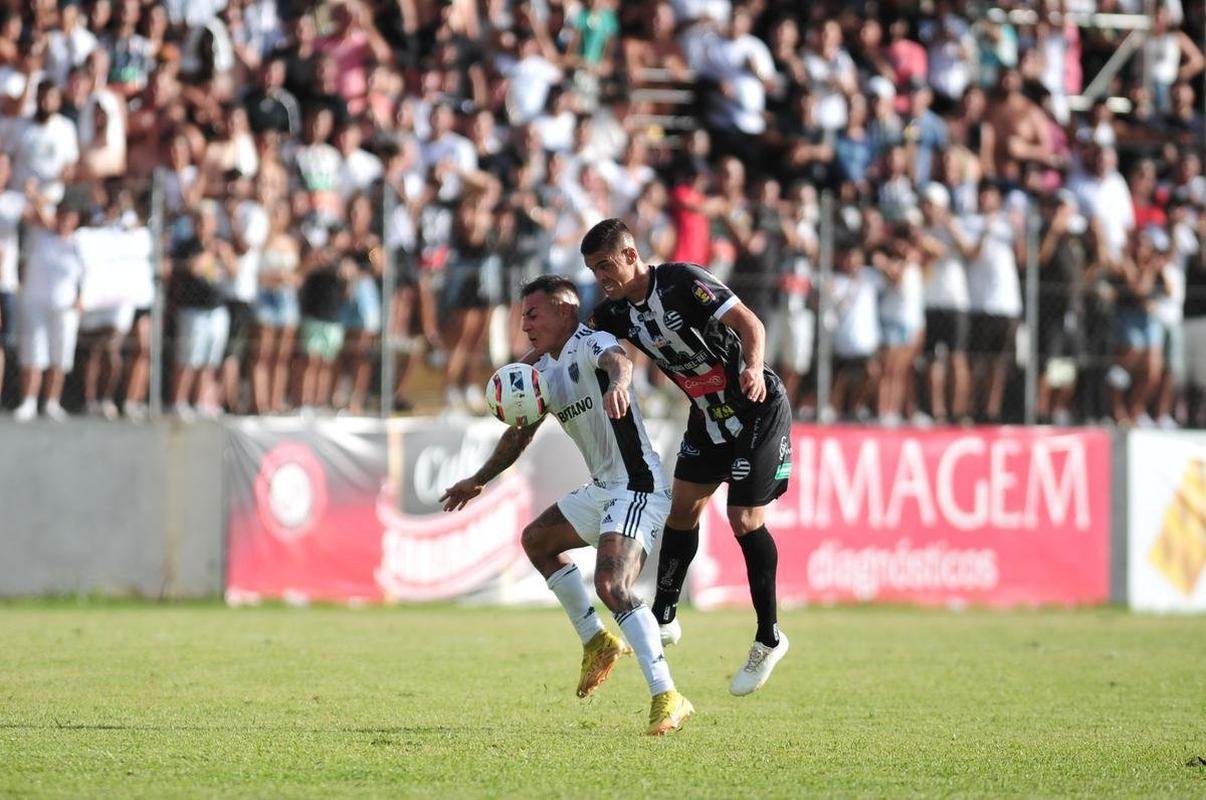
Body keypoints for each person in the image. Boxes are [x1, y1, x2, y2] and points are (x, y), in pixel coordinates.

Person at [440, 275, 693, 736]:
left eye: (533, 315)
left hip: (637, 486)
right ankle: (597, 641)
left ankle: (667, 695)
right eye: (522, 318)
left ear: (563, 310)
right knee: (537, 540)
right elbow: (520, 433)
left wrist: (618, 383)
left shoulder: (588, 342)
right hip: (604, 489)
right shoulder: (541, 373)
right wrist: (478, 480)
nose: (525, 325)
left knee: (612, 584)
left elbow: (619, 360)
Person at [580, 218, 791, 696]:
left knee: (743, 519)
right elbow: (579, 343)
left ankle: (769, 638)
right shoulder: (615, 312)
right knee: (682, 512)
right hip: (707, 414)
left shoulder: (683, 281)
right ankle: (665, 615)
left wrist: (754, 367)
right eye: (594, 270)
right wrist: (526, 369)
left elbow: (749, 323)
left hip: (755, 405)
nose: (602, 277)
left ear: (631, 254)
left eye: (607, 265)